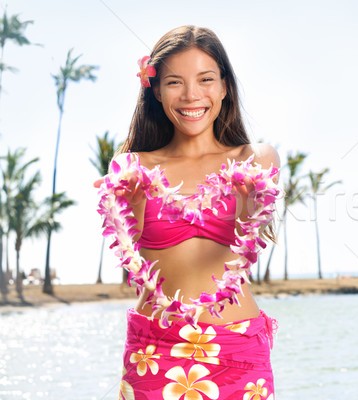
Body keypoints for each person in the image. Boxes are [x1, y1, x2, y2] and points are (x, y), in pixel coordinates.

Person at [105, 26, 280, 400]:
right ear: (154, 89)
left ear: (224, 87)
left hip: (237, 348)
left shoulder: (256, 159)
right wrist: (133, 198)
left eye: (205, 79)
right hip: (154, 347)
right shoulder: (131, 166)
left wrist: (246, 198)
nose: (191, 95)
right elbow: (131, 252)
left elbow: (254, 227)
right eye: (174, 82)